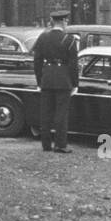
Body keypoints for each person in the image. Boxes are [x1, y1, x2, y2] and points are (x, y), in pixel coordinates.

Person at [33, 9, 78, 153]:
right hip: (63, 79)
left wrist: (39, 80)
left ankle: (46, 144)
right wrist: (75, 83)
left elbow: (37, 61)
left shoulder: (42, 37)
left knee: (45, 113)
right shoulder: (69, 39)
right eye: (66, 21)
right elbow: (73, 64)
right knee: (61, 114)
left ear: (52, 21)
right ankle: (60, 144)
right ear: (64, 21)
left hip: (46, 78)